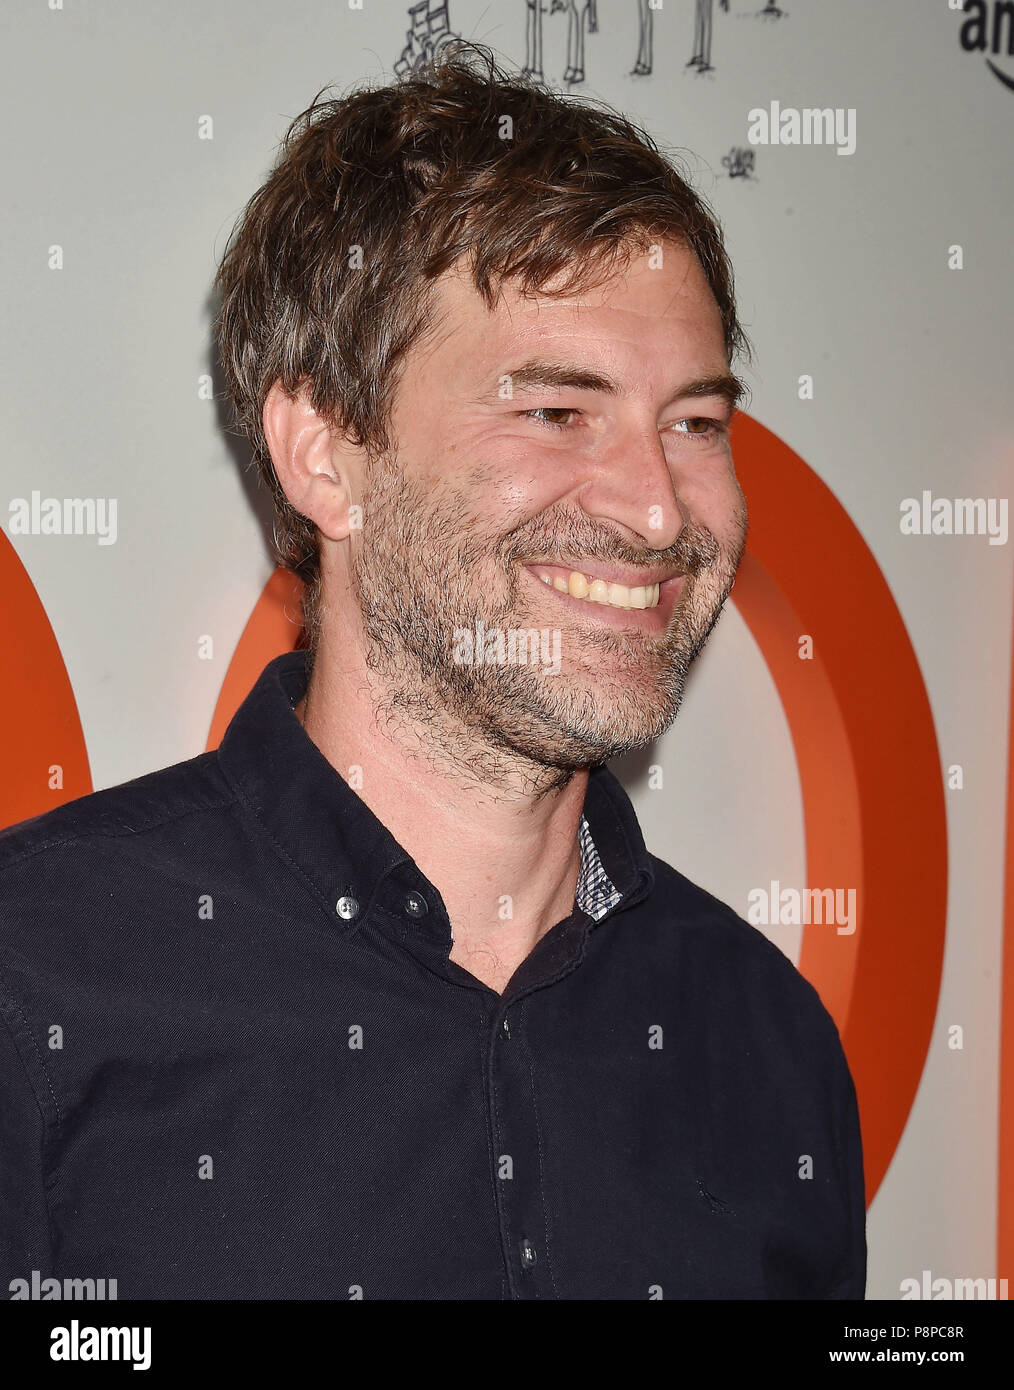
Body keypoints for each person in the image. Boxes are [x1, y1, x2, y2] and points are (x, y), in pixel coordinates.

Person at [0, 48, 866, 1300]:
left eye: (695, 422)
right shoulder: (40, 982)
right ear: (322, 456)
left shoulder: (766, 1038)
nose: (659, 508)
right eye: (556, 412)